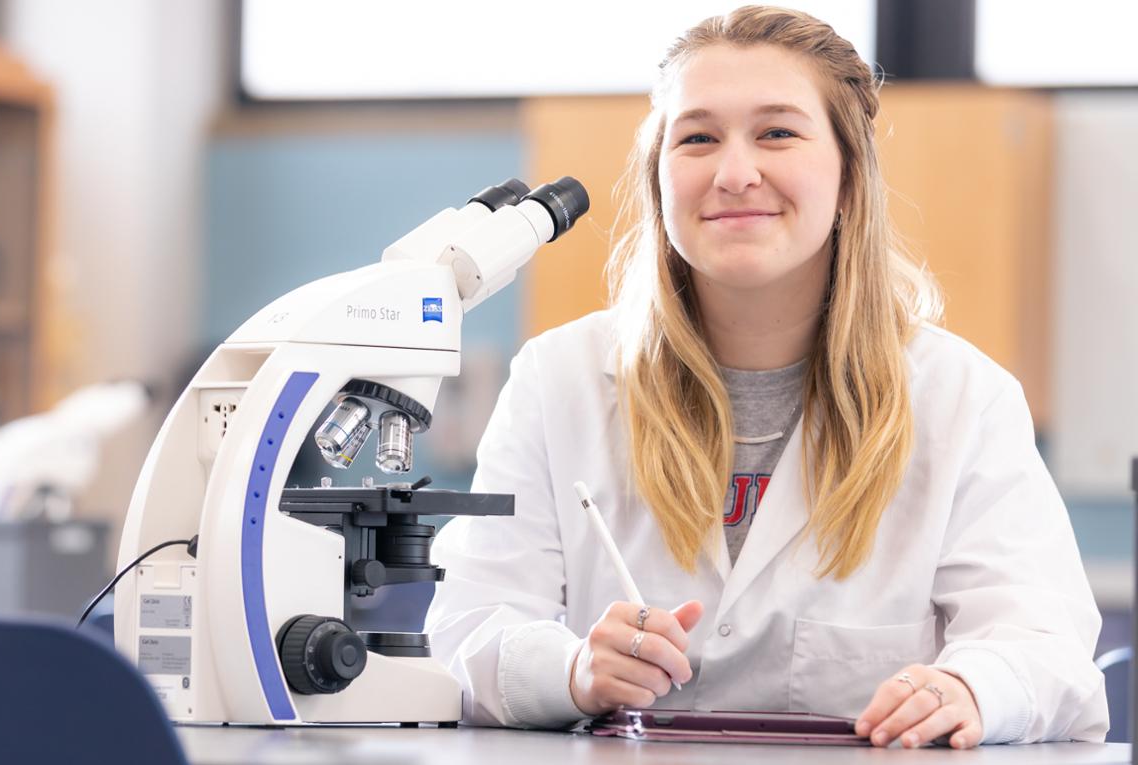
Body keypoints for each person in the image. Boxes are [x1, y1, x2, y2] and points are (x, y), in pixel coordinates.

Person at [424, 4, 1107, 749]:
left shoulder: (963, 400)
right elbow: (467, 624)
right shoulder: (559, 382)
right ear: (659, 180)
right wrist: (573, 669)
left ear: (849, 177)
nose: (735, 172)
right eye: (698, 138)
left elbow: (1045, 640)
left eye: (777, 132)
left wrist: (969, 686)